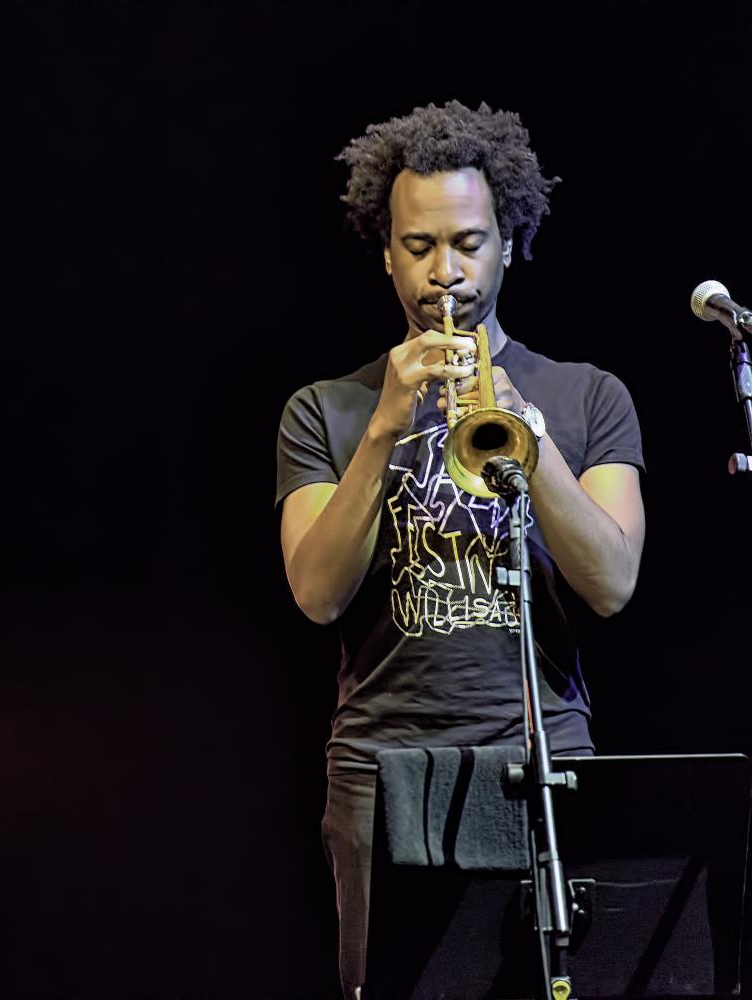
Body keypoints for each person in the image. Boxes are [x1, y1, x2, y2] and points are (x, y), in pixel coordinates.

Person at [274, 101, 646, 999]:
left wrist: (525, 434)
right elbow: (316, 593)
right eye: (418, 246)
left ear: (509, 242)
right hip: (380, 768)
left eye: (469, 243)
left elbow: (611, 582)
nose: (446, 272)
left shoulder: (588, 396)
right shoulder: (323, 410)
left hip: (544, 760)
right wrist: (384, 436)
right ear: (387, 250)